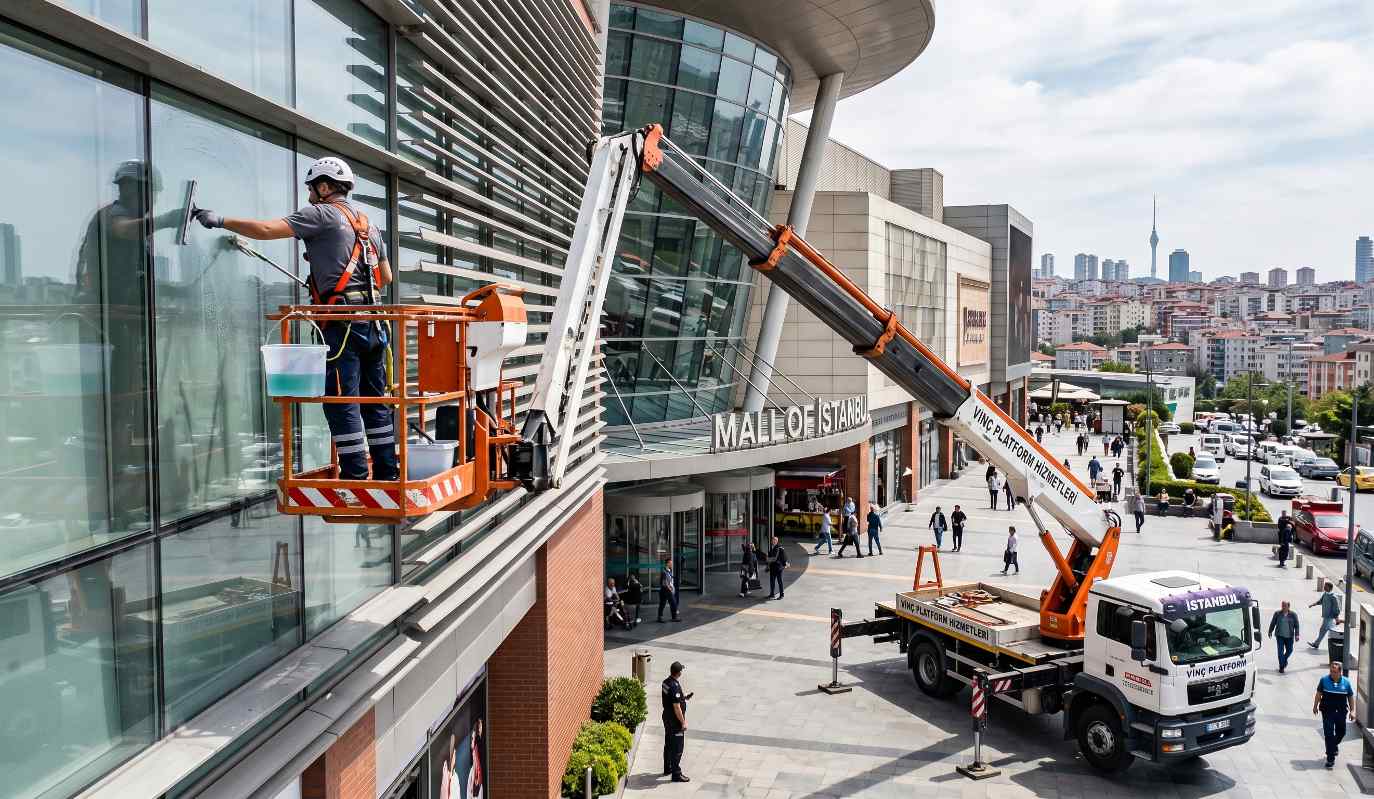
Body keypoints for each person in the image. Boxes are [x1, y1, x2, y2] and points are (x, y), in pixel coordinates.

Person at [197, 157, 398, 482]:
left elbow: (265, 230)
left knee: (339, 400)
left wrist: (219, 220)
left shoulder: (321, 213)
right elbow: (385, 276)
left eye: (311, 188)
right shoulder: (368, 224)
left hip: (342, 326)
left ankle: (356, 477)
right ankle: (388, 473)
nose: (308, 195)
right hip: (374, 326)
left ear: (323, 187)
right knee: (374, 401)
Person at [1313, 661, 1356, 769]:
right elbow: (1318, 694)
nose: (1332, 673)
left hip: (1341, 711)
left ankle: (1333, 746)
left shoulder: (1346, 683)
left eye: (1334, 672)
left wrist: (1352, 710)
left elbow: (1350, 697)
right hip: (1327, 711)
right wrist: (1315, 706)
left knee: (1342, 732)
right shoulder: (1324, 680)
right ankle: (1330, 758)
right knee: (1328, 733)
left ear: (1340, 672)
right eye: (1331, 671)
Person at [661, 662, 692, 782]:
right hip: (675, 721)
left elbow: (671, 698)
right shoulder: (674, 686)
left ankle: (667, 767)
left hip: (667, 718)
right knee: (677, 747)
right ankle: (676, 774)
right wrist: (683, 723)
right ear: (678, 673)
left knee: (669, 743)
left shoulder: (666, 682)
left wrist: (683, 697)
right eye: (681, 671)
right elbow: (676, 707)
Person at [1269, 600, 1300, 673]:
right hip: (1280, 636)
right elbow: (1273, 623)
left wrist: (1297, 635)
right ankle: (1281, 666)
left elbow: (1297, 626)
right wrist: (1270, 631)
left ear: (1288, 606)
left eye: (1284, 606)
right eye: (1282, 605)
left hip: (1289, 636)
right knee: (1280, 652)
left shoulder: (1293, 615)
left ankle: (1284, 660)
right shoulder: (1277, 613)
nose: (1283, 607)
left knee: (1290, 650)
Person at [1309, 582, 1342, 649]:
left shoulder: (1333, 597)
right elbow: (1320, 601)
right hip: (1326, 616)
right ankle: (1316, 644)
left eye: (1325, 586)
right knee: (1327, 630)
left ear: (1330, 588)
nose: (1324, 587)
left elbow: (1337, 609)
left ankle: (1316, 644)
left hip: (1329, 617)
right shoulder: (1325, 594)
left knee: (1323, 630)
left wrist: (1336, 617)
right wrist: (1313, 604)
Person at [657, 557, 680, 623]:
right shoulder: (664, 572)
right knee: (673, 603)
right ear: (667, 564)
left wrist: (672, 587)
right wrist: (670, 588)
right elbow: (664, 582)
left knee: (663, 604)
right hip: (666, 590)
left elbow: (669, 580)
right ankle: (673, 617)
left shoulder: (669, 571)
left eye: (671, 563)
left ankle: (660, 617)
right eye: (670, 563)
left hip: (666, 590)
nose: (671, 564)